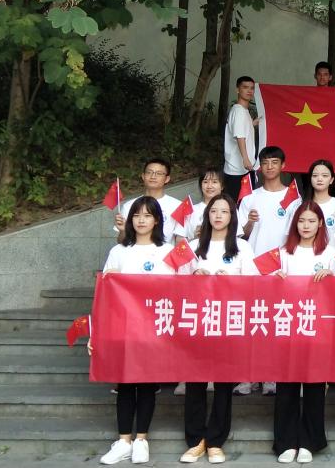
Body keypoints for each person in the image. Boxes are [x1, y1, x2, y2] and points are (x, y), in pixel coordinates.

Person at [93, 197, 176, 465]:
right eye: (137, 215)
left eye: (147, 215)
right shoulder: (119, 251)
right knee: (126, 384)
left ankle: (141, 440)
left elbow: (177, 289)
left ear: (157, 220)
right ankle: (123, 441)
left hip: (153, 328)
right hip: (124, 327)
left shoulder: (167, 251)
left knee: (147, 384)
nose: (141, 220)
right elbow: (106, 293)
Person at [178, 195, 256, 464]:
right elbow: (173, 281)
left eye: (225, 211)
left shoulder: (242, 247)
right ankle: (195, 440)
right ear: (207, 215)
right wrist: (193, 277)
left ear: (233, 217)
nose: (219, 215)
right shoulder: (192, 247)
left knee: (223, 383)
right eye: (214, 211)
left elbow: (254, 285)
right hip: (198, 322)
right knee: (195, 381)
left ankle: (215, 440)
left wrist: (231, 282)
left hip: (228, 323)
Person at [272, 202, 335, 464]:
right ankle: (286, 441)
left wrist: (331, 276)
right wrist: (275, 278)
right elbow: (265, 286)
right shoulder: (283, 253)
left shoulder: (330, 254)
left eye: (312, 221)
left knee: (314, 385)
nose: (306, 226)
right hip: (287, 325)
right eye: (301, 221)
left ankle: (310, 440)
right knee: (287, 384)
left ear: (321, 224)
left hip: (317, 327)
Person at [236, 145, 298, 396]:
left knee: (276, 324)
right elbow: (241, 235)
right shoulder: (250, 198)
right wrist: (250, 223)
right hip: (253, 269)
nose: (269, 167)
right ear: (259, 167)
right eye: (265, 163)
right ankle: (248, 377)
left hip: (281, 270)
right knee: (252, 324)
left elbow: (297, 235)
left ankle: (271, 376)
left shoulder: (293, 198)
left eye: (274, 162)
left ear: (283, 166)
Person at [114, 158, 183, 245]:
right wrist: (123, 231)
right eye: (149, 172)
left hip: (166, 253)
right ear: (143, 176)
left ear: (167, 179)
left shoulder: (178, 206)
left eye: (159, 173)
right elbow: (121, 242)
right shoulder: (129, 205)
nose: (153, 176)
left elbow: (181, 239)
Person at [223, 76, 260, 201]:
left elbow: (241, 129)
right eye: (245, 87)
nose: (249, 91)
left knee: (244, 203)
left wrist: (252, 123)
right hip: (237, 170)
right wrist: (245, 159)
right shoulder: (238, 111)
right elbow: (240, 136)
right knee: (237, 204)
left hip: (242, 169)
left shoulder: (243, 111)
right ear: (237, 90)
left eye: (252, 88)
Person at [306, 159, 335, 250]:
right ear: (310, 179)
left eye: (325, 176)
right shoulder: (302, 206)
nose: (319, 179)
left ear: (331, 180)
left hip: (331, 257)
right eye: (315, 175)